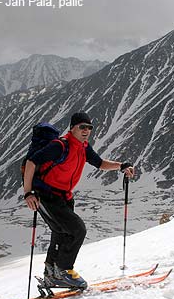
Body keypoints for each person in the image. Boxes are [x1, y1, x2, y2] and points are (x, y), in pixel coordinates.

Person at [23, 111, 134, 289]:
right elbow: (31, 162)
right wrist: (28, 193)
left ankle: (51, 273)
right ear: (72, 128)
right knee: (77, 230)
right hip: (46, 195)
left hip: (64, 196)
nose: (86, 130)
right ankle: (64, 271)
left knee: (61, 232)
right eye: (82, 127)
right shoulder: (60, 145)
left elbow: (100, 163)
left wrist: (121, 166)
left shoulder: (83, 147)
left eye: (89, 127)